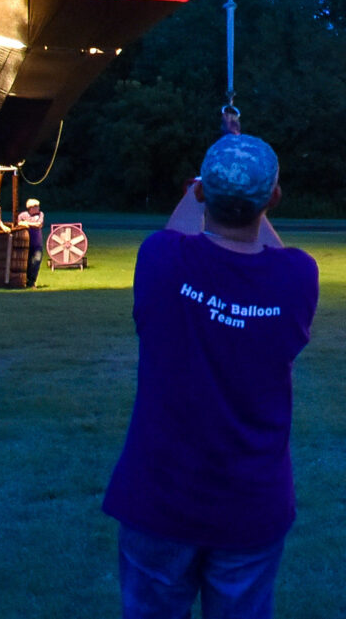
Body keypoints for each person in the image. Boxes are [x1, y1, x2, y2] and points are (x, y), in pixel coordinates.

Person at [103, 132, 319, 619]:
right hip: (250, 506)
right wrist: (247, 180)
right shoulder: (297, 278)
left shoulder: (160, 260)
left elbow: (180, 231)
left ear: (201, 193)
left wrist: (206, 178)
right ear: (274, 199)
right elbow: (271, 251)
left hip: (158, 498)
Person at [18, 198, 46, 286]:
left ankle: (32, 280)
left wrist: (27, 223)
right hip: (26, 243)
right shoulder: (22, 215)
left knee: (36, 261)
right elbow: (19, 224)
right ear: (31, 208)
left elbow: (39, 224)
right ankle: (25, 280)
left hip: (37, 243)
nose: (38, 208)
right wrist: (26, 223)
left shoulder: (40, 214)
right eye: (36, 206)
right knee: (27, 262)